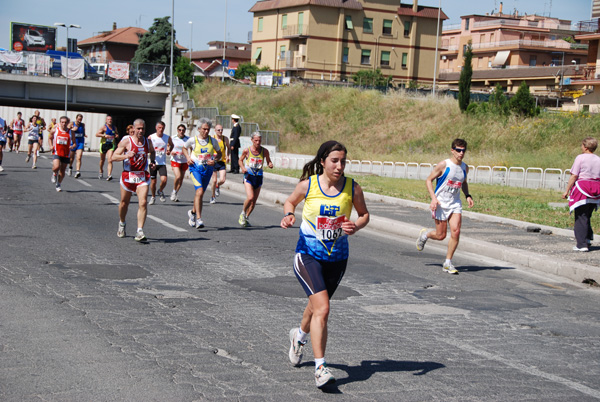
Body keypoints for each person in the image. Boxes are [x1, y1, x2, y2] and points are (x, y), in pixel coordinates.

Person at [280, 140, 369, 389]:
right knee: (324, 308)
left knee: (316, 306)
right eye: (334, 161)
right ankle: (320, 368)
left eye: (343, 161)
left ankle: (298, 337)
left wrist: (356, 225)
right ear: (322, 162)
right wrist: (289, 215)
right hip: (307, 255)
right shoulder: (308, 185)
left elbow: (364, 214)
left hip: (337, 258)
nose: (339, 166)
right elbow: (290, 202)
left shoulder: (353, 188)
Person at [416, 138, 474, 274]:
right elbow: (429, 180)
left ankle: (448, 263)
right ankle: (425, 235)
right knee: (441, 235)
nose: (461, 153)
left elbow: (463, 182)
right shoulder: (444, 165)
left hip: (455, 203)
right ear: (452, 151)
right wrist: (433, 199)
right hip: (441, 203)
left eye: (463, 151)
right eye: (458, 150)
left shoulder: (465, 167)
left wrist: (468, 195)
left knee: (456, 231)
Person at [110, 118, 156, 242]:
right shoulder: (127, 142)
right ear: (134, 129)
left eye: (143, 129)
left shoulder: (148, 142)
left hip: (142, 176)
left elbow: (152, 152)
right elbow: (113, 157)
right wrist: (126, 155)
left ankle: (139, 231)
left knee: (142, 202)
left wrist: (152, 162)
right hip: (128, 176)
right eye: (139, 128)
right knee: (124, 203)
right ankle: (122, 223)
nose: (141, 131)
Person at [182, 118, 221, 229]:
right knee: (199, 191)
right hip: (195, 169)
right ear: (199, 129)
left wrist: (215, 160)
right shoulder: (193, 140)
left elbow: (219, 153)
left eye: (208, 129)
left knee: (200, 194)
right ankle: (199, 219)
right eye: (204, 129)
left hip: (207, 170)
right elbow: (184, 148)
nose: (206, 131)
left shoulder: (213, 141)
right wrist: (188, 157)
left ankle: (193, 213)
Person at [562, 137, 600, 252]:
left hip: (582, 187)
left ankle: (581, 244)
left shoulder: (580, 158)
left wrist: (567, 190)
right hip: (596, 188)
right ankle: (587, 239)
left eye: (582, 145)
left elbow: (574, 175)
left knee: (580, 216)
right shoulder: (598, 159)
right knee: (587, 215)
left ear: (586, 147)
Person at [238, 132, 273, 227]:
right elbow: (240, 160)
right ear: (252, 140)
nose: (258, 142)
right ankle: (243, 213)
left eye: (259, 141)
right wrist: (243, 168)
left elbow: (268, 161)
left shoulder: (264, 151)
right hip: (249, 176)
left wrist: (270, 164)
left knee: (254, 202)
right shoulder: (247, 150)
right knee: (250, 197)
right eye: (256, 140)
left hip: (258, 177)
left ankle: (246, 217)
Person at [148, 121, 172, 204]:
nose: (161, 129)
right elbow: (147, 148)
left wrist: (169, 150)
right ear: (156, 128)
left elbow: (171, 144)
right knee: (153, 182)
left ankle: (160, 191)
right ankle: (153, 197)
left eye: (162, 128)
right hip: (153, 162)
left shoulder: (167, 137)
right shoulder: (151, 137)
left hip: (162, 162)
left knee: (164, 180)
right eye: (159, 128)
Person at [48, 116, 74, 192]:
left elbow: (74, 143)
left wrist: (72, 146)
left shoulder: (70, 132)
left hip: (66, 153)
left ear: (67, 123)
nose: (64, 124)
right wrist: (50, 145)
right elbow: (50, 138)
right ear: (60, 122)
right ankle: (54, 173)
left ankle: (58, 184)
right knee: (56, 167)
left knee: (62, 171)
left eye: (65, 122)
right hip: (57, 151)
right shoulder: (55, 130)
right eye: (62, 122)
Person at [168, 124, 190, 202]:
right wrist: (170, 151)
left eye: (183, 130)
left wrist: (190, 157)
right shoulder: (173, 138)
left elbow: (192, 148)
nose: (181, 131)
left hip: (184, 161)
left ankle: (175, 192)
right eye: (180, 130)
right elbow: (168, 146)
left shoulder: (188, 139)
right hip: (175, 160)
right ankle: (174, 191)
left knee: (181, 179)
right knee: (178, 176)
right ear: (177, 130)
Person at [210, 124, 230, 204]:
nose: (220, 131)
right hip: (213, 161)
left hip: (222, 161)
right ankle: (213, 196)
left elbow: (228, 148)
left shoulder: (225, 139)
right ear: (215, 130)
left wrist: (228, 156)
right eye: (218, 130)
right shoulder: (212, 138)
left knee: (223, 180)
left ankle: (218, 186)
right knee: (214, 180)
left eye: (221, 130)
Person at [96, 115, 119, 181]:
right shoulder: (104, 127)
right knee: (102, 160)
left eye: (111, 119)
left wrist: (116, 135)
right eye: (108, 119)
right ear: (106, 120)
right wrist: (104, 135)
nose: (110, 120)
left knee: (110, 160)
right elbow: (97, 134)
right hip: (104, 145)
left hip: (111, 145)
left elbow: (117, 134)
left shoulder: (114, 128)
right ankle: (101, 170)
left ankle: (109, 175)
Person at [68, 113, 86, 178]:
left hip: (80, 142)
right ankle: (70, 167)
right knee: (71, 158)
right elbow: (67, 129)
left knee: (79, 157)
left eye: (80, 119)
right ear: (76, 119)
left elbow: (83, 132)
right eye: (78, 119)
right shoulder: (72, 123)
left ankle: (77, 171)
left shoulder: (82, 125)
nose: (79, 121)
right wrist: (72, 129)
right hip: (73, 142)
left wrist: (84, 134)